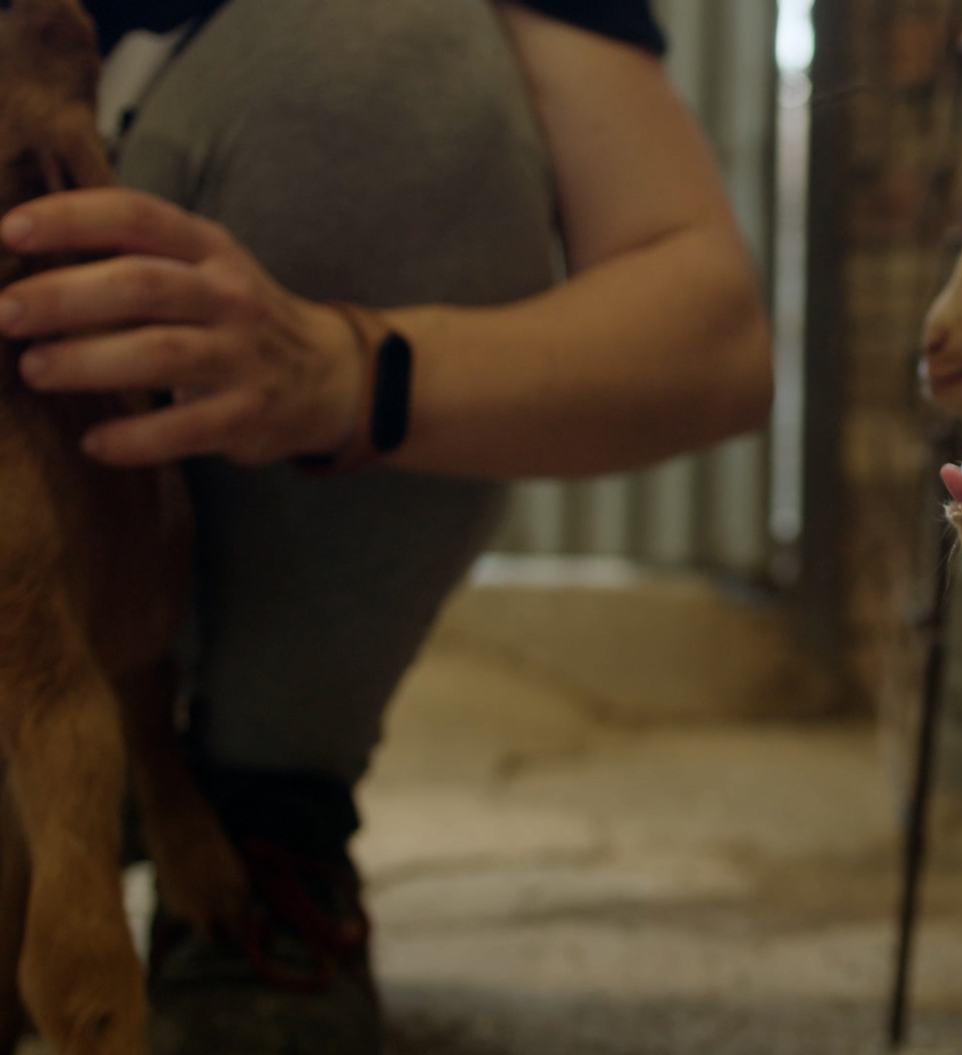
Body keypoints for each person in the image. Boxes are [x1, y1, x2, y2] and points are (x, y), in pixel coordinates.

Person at [0, 0, 771, 1051]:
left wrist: (347, 371)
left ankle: (264, 810)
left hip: (186, 536)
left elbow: (714, 342)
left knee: (370, 40)